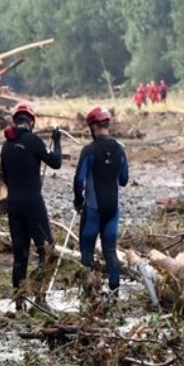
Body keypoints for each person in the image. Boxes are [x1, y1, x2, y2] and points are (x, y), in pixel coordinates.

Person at [0, 101, 61, 302]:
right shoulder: (34, 141)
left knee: (20, 257)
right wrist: (57, 141)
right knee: (47, 251)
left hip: (14, 205)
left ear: (15, 121)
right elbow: (56, 162)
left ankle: (19, 303)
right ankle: (40, 297)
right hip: (33, 203)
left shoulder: (6, 146)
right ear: (31, 122)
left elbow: (6, 178)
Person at [74, 107, 130, 293]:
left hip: (92, 209)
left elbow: (79, 180)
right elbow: (123, 180)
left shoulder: (89, 150)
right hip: (112, 209)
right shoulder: (120, 150)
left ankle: (90, 294)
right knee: (110, 252)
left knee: (87, 252)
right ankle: (115, 294)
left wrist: (78, 200)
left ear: (93, 127)